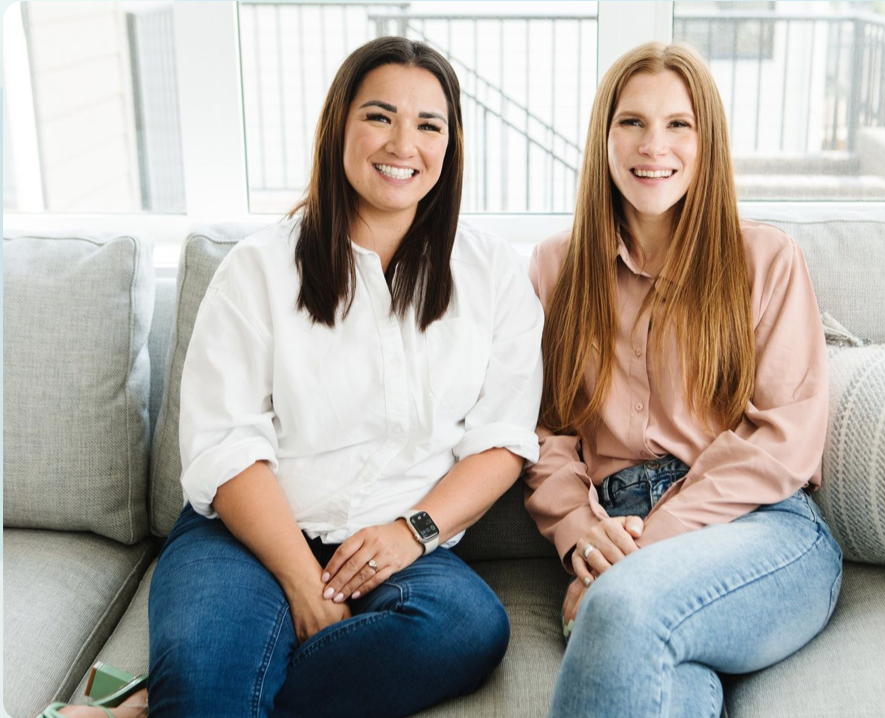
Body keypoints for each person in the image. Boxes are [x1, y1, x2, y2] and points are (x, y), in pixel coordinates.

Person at [40, 37, 543, 718]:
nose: (404, 143)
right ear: (339, 125)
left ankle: (150, 707)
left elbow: (503, 442)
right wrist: (303, 581)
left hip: (403, 546)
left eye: (430, 125)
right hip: (245, 538)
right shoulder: (257, 268)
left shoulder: (494, 275)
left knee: (467, 628)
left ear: (450, 145)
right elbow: (226, 445)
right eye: (380, 116)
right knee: (211, 686)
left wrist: (411, 531)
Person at [525, 42, 843, 718]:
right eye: (632, 122)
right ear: (603, 138)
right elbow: (543, 433)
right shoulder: (555, 268)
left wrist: (639, 558)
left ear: (707, 143)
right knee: (669, 691)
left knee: (622, 612)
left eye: (679, 125)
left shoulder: (767, 259)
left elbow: (785, 439)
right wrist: (582, 532)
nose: (653, 146)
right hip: (615, 531)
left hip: (760, 526)